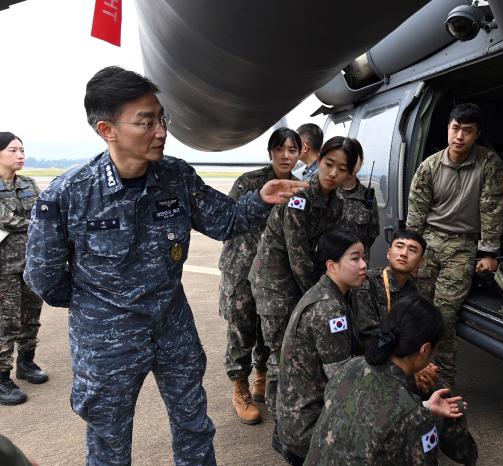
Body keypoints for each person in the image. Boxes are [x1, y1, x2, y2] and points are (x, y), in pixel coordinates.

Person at [23, 66, 307, 465]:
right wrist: (102, 306)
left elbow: (225, 221)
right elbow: (44, 278)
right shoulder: (69, 195)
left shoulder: (176, 177)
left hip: (173, 326)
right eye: (146, 121)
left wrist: (261, 197)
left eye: (161, 118)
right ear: (107, 129)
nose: (160, 130)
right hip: (107, 341)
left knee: (194, 425)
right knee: (109, 441)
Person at [248, 136, 359, 426]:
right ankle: (280, 421)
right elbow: (297, 253)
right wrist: (320, 294)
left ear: (350, 173)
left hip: (304, 281)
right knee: (280, 352)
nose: (333, 173)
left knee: (298, 350)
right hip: (276, 282)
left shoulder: (336, 203)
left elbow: (329, 249)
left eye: (342, 169)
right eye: (328, 164)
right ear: (319, 160)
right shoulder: (300, 197)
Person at [306, 295, 478, 465]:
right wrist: (420, 414)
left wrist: (424, 408)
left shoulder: (351, 367)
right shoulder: (413, 416)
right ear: (425, 349)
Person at [406, 102, 503, 387]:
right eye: (455, 128)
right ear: (448, 128)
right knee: (421, 312)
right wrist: (413, 251)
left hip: (463, 246)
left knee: (443, 316)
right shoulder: (430, 166)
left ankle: (443, 383)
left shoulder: (489, 164)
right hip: (429, 242)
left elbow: (492, 208)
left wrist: (489, 252)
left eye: (467, 131)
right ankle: (419, 377)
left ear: (477, 134)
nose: (459, 136)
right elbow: (416, 213)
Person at [218, 127, 301, 425]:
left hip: (273, 275)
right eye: (280, 149)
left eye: (292, 150)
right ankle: (239, 386)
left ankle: (262, 378)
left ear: (299, 153)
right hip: (241, 268)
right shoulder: (250, 182)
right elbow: (229, 218)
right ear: (271, 152)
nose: (286, 155)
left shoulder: (299, 188)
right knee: (242, 328)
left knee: (270, 329)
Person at [276, 230, 367, 463]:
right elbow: (343, 381)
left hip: (300, 416)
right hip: (308, 427)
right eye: (355, 258)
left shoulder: (330, 292)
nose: (364, 265)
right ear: (332, 265)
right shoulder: (328, 309)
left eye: (363, 257)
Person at [348, 228, 440, 393]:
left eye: (412, 250)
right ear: (389, 253)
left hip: (403, 360)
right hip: (370, 361)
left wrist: (423, 365)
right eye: (399, 246)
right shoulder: (367, 283)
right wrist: (414, 368)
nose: (404, 253)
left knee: (439, 388)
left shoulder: (415, 292)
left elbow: (418, 336)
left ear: (421, 262)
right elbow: (368, 336)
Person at [0, 133, 47, 406]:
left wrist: (33, 221)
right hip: (3, 267)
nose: (20, 155)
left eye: (22, 150)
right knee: (6, 322)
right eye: (13, 150)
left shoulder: (28, 183)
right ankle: (2, 376)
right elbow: (8, 219)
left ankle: (26, 363)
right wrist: (34, 222)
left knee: (31, 315)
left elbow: (43, 213)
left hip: (30, 262)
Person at [337, 138, 380, 261]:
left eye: (354, 158)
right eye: (346, 159)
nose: (350, 164)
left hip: (358, 266)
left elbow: (372, 234)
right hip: (331, 267)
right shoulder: (328, 192)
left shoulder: (367, 197)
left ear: (361, 162)